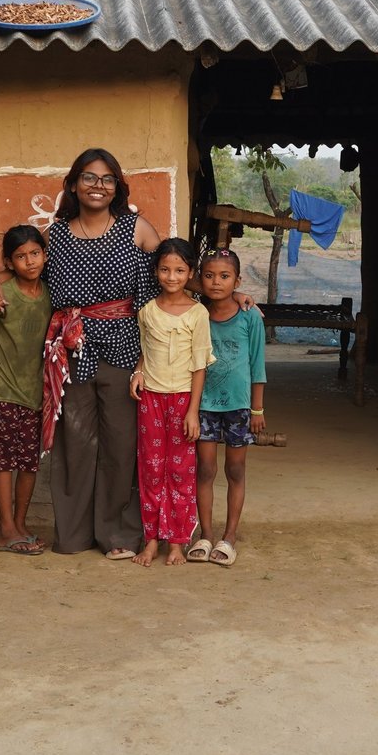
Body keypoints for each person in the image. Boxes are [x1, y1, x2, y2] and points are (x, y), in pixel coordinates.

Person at [39, 149, 162, 559]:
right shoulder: (54, 235)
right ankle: (72, 536)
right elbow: (20, 270)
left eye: (108, 179)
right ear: (73, 184)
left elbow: (170, 281)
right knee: (74, 442)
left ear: (117, 186)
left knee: (120, 443)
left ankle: (118, 536)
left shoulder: (136, 229)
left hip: (125, 348)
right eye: (89, 178)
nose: (98, 186)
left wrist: (234, 296)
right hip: (72, 349)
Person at [131, 239, 213, 567]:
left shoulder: (198, 313)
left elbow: (199, 365)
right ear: (156, 272)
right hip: (150, 397)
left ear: (190, 273)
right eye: (165, 269)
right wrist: (137, 371)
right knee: (151, 470)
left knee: (180, 472)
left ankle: (178, 541)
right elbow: (144, 351)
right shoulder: (147, 311)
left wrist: (193, 411)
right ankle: (151, 540)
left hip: (182, 400)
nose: (172, 276)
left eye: (180, 270)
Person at [0, 225, 50, 556]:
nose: (30, 262)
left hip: (36, 392)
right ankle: (6, 529)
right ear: (10, 262)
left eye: (35, 253)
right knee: (3, 463)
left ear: (45, 255)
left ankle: (20, 524)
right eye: (21, 257)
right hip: (3, 388)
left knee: (29, 464)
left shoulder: (50, 292)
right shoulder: (1, 290)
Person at [190, 247, 265, 567]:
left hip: (238, 406)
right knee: (205, 470)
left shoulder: (250, 316)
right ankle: (205, 535)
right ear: (199, 279)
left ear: (238, 279)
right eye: (208, 276)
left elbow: (257, 365)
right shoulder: (196, 314)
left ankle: (230, 536)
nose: (216, 282)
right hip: (204, 405)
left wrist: (257, 410)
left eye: (224, 276)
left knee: (235, 470)